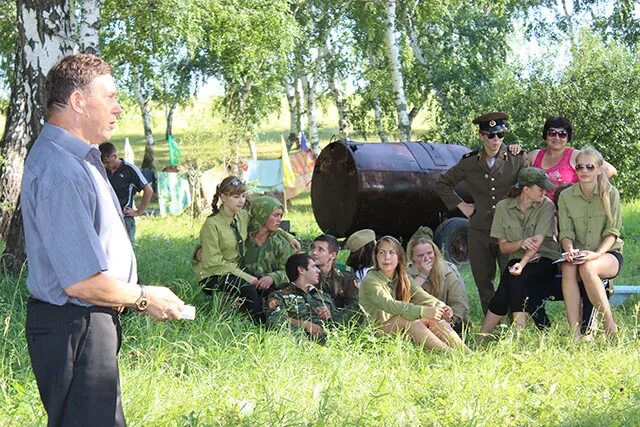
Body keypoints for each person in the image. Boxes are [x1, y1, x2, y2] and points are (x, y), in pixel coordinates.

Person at [21, 54, 185, 427]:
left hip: (84, 322)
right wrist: (145, 297)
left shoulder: (79, 160)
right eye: (110, 97)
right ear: (79, 101)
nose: (119, 107)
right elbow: (81, 281)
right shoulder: (62, 169)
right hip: (76, 322)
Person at [435, 112, 527, 314]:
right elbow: (442, 183)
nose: (495, 140)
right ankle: (491, 322)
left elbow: (529, 186)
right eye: (490, 135)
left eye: (500, 135)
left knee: (511, 276)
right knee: (483, 281)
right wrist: (462, 206)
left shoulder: (517, 158)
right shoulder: (469, 162)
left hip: (509, 229)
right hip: (479, 230)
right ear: (481, 136)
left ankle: (515, 323)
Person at [193, 177, 299, 324]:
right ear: (223, 197)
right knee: (247, 288)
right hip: (213, 274)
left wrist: (288, 237)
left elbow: (265, 220)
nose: (241, 201)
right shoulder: (212, 224)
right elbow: (214, 262)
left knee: (263, 287)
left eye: (243, 196)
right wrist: (245, 276)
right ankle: (261, 326)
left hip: (234, 271)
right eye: (236, 197)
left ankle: (280, 319)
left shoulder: (242, 216)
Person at [478, 168, 560, 338]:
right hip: (517, 257)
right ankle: (540, 332)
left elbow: (537, 242)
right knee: (509, 284)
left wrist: (522, 264)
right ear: (526, 189)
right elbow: (503, 247)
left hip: (544, 258)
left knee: (515, 277)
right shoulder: (503, 207)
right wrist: (521, 243)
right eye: (541, 188)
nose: (545, 192)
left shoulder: (546, 205)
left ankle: (510, 334)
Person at [359, 236, 469, 353]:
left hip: (399, 330)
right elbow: (391, 305)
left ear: (399, 257)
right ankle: (451, 353)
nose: (387, 257)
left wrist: (441, 307)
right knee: (407, 319)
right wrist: (422, 311)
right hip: (374, 333)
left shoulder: (403, 276)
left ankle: (466, 352)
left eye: (392, 253)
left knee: (431, 316)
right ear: (376, 257)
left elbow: (422, 295)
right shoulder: (371, 280)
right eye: (382, 253)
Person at [558, 147, 623, 340]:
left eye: (589, 166)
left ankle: (610, 326)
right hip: (578, 253)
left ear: (599, 169)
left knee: (588, 268)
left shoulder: (611, 194)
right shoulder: (565, 196)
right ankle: (575, 333)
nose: (584, 171)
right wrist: (569, 250)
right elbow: (566, 232)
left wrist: (596, 254)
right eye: (579, 167)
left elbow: (613, 233)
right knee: (568, 268)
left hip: (608, 254)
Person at [527, 116, 616, 203]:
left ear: (568, 137)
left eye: (562, 134)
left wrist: (585, 187)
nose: (557, 138)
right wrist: (515, 150)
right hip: (539, 212)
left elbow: (610, 170)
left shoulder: (576, 156)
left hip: (568, 211)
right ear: (545, 135)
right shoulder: (534, 156)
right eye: (552, 133)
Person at [265, 253, 341, 341]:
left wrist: (330, 314)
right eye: (313, 267)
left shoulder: (324, 296)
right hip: (297, 341)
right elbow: (274, 319)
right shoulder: (279, 296)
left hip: (328, 342)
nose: (318, 271)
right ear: (301, 270)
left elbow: (340, 322)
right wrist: (305, 324)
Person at [406, 237, 470, 334]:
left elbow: (459, 303)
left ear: (435, 253)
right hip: (418, 321)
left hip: (447, 321)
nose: (426, 258)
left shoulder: (448, 270)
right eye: (420, 255)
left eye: (429, 253)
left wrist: (450, 318)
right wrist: (423, 275)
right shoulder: (406, 273)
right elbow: (403, 299)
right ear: (412, 258)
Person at [99, 142, 153, 246]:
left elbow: (148, 190)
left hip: (125, 217)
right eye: (103, 163)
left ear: (114, 156)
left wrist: (139, 211)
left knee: (128, 247)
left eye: (107, 162)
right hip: (106, 216)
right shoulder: (102, 170)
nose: (105, 166)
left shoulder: (130, 169)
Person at [244, 195, 296, 291]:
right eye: (275, 215)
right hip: (243, 287)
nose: (279, 220)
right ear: (262, 215)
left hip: (272, 290)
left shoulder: (281, 242)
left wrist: (272, 278)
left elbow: (290, 272)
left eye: (281, 216)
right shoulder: (243, 238)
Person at [311, 234, 361, 323]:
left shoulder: (346, 274)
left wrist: (334, 316)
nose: (314, 252)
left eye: (320, 249)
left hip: (339, 319)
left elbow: (354, 305)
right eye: (313, 248)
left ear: (332, 255)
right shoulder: (307, 272)